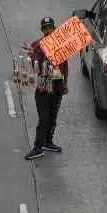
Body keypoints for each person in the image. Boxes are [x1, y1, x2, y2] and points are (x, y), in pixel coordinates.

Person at [24, 16, 68, 161]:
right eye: (45, 28)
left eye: (50, 28)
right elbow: (32, 65)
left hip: (57, 86)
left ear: (54, 28)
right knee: (43, 119)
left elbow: (65, 65)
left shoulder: (61, 43)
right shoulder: (37, 45)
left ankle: (48, 142)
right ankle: (38, 147)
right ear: (42, 30)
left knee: (53, 117)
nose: (48, 31)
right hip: (43, 87)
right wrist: (33, 55)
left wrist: (65, 83)